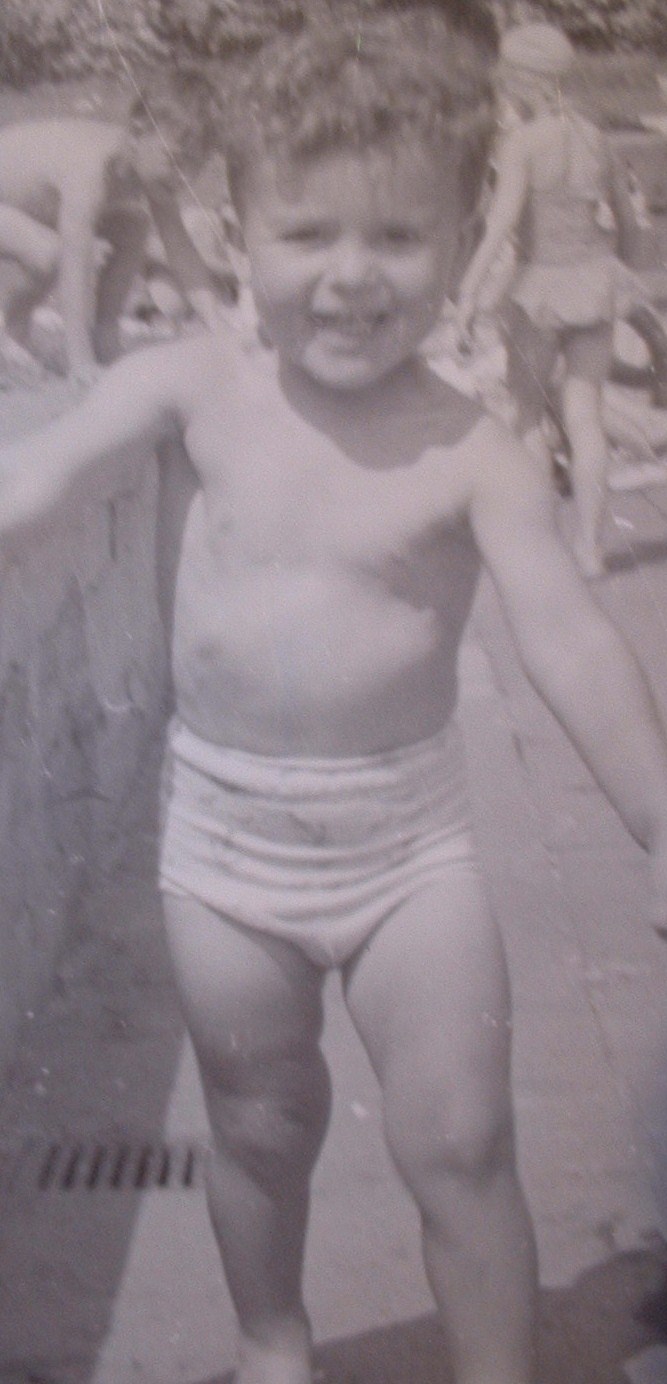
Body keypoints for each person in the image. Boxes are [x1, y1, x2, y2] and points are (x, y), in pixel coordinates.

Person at [1, 10, 667, 1383]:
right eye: (307, 233)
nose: (351, 275)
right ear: (238, 235)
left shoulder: (470, 451)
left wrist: (660, 816)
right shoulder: (191, 387)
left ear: (461, 240)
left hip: (407, 850)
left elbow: (566, 635)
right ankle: (272, 1342)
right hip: (224, 849)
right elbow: (37, 479)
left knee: (464, 1142)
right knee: (258, 1124)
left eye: (397, 237)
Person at [455, 21, 652, 578]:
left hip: (538, 289)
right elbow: (630, 227)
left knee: (528, 414)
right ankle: (590, 548)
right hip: (594, 282)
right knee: (586, 416)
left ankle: (546, 549)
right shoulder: (594, 137)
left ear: (524, 82)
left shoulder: (522, 143)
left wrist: (468, 293)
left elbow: (501, 223)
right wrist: (621, 268)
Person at [0, 75, 236, 386]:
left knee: (133, 226)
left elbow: (180, 250)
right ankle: (13, 332)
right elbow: (74, 266)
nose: (185, 177)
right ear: (136, 134)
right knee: (52, 253)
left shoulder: (150, 171)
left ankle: (106, 336)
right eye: (176, 160)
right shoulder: (91, 169)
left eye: (197, 164)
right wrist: (80, 361)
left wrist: (218, 324)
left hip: (19, 208)